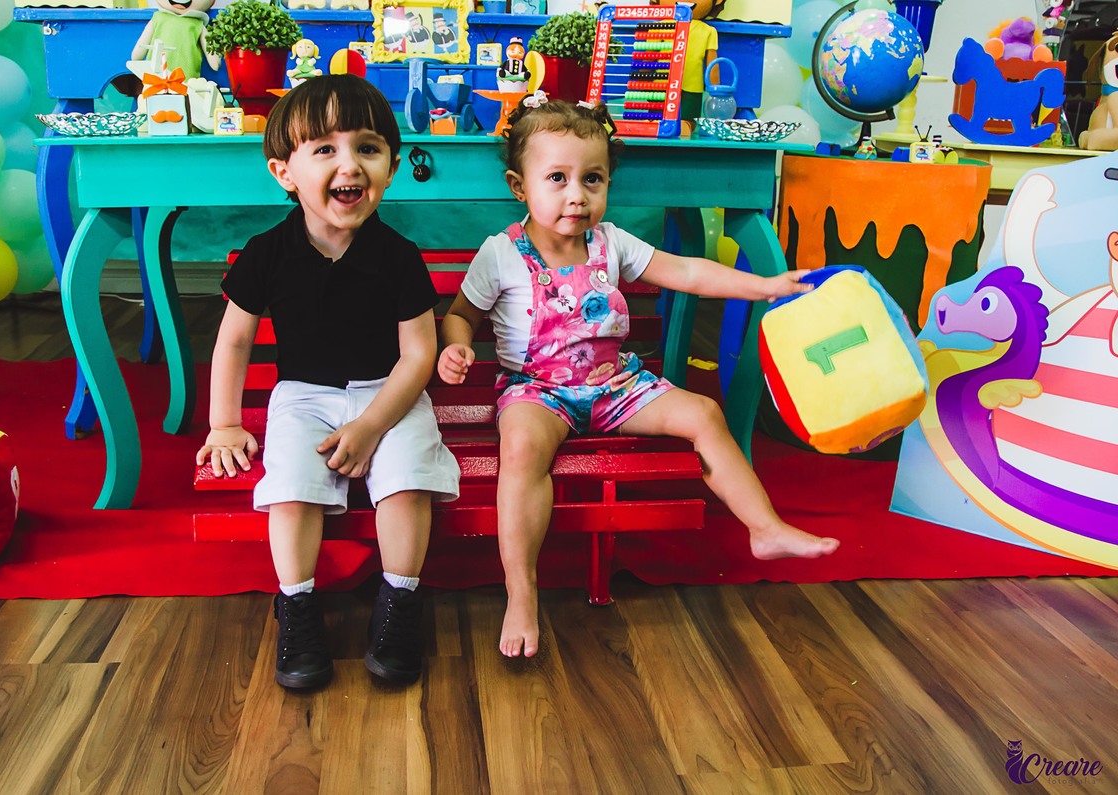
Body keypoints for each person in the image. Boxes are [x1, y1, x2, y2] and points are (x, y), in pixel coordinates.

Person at [436, 98, 839, 659]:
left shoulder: (611, 244)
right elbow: (462, 313)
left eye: (592, 178)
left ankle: (764, 526)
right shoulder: (501, 254)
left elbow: (690, 272)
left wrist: (767, 287)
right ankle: (521, 592)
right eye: (557, 178)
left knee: (702, 413)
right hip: (536, 389)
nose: (577, 194)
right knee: (523, 448)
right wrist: (455, 345)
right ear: (519, 185)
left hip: (614, 384)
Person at [197, 75, 460, 688]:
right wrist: (224, 422)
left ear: (391, 168)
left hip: (389, 393)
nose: (350, 165)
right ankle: (297, 606)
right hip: (303, 397)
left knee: (407, 483)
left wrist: (372, 425)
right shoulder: (267, 252)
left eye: (367, 148)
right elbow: (233, 340)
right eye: (324, 149)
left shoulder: (397, 254)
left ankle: (400, 603)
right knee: (289, 488)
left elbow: (418, 354)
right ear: (284, 172)